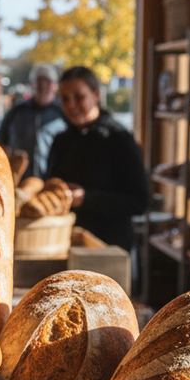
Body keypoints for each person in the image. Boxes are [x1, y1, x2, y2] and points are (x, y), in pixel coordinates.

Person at [46, 66, 148, 250]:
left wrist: (87, 198)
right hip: (65, 242)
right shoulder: (61, 140)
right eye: (65, 99)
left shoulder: (119, 138)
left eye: (79, 97)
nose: (71, 105)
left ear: (96, 94)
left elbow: (140, 201)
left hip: (108, 246)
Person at [0, 63, 66, 179]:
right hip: (18, 180)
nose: (43, 86)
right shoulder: (16, 113)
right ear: (33, 84)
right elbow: (0, 143)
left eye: (47, 82)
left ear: (55, 86)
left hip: (52, 181)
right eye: (39, 82)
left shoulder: (62, 115)